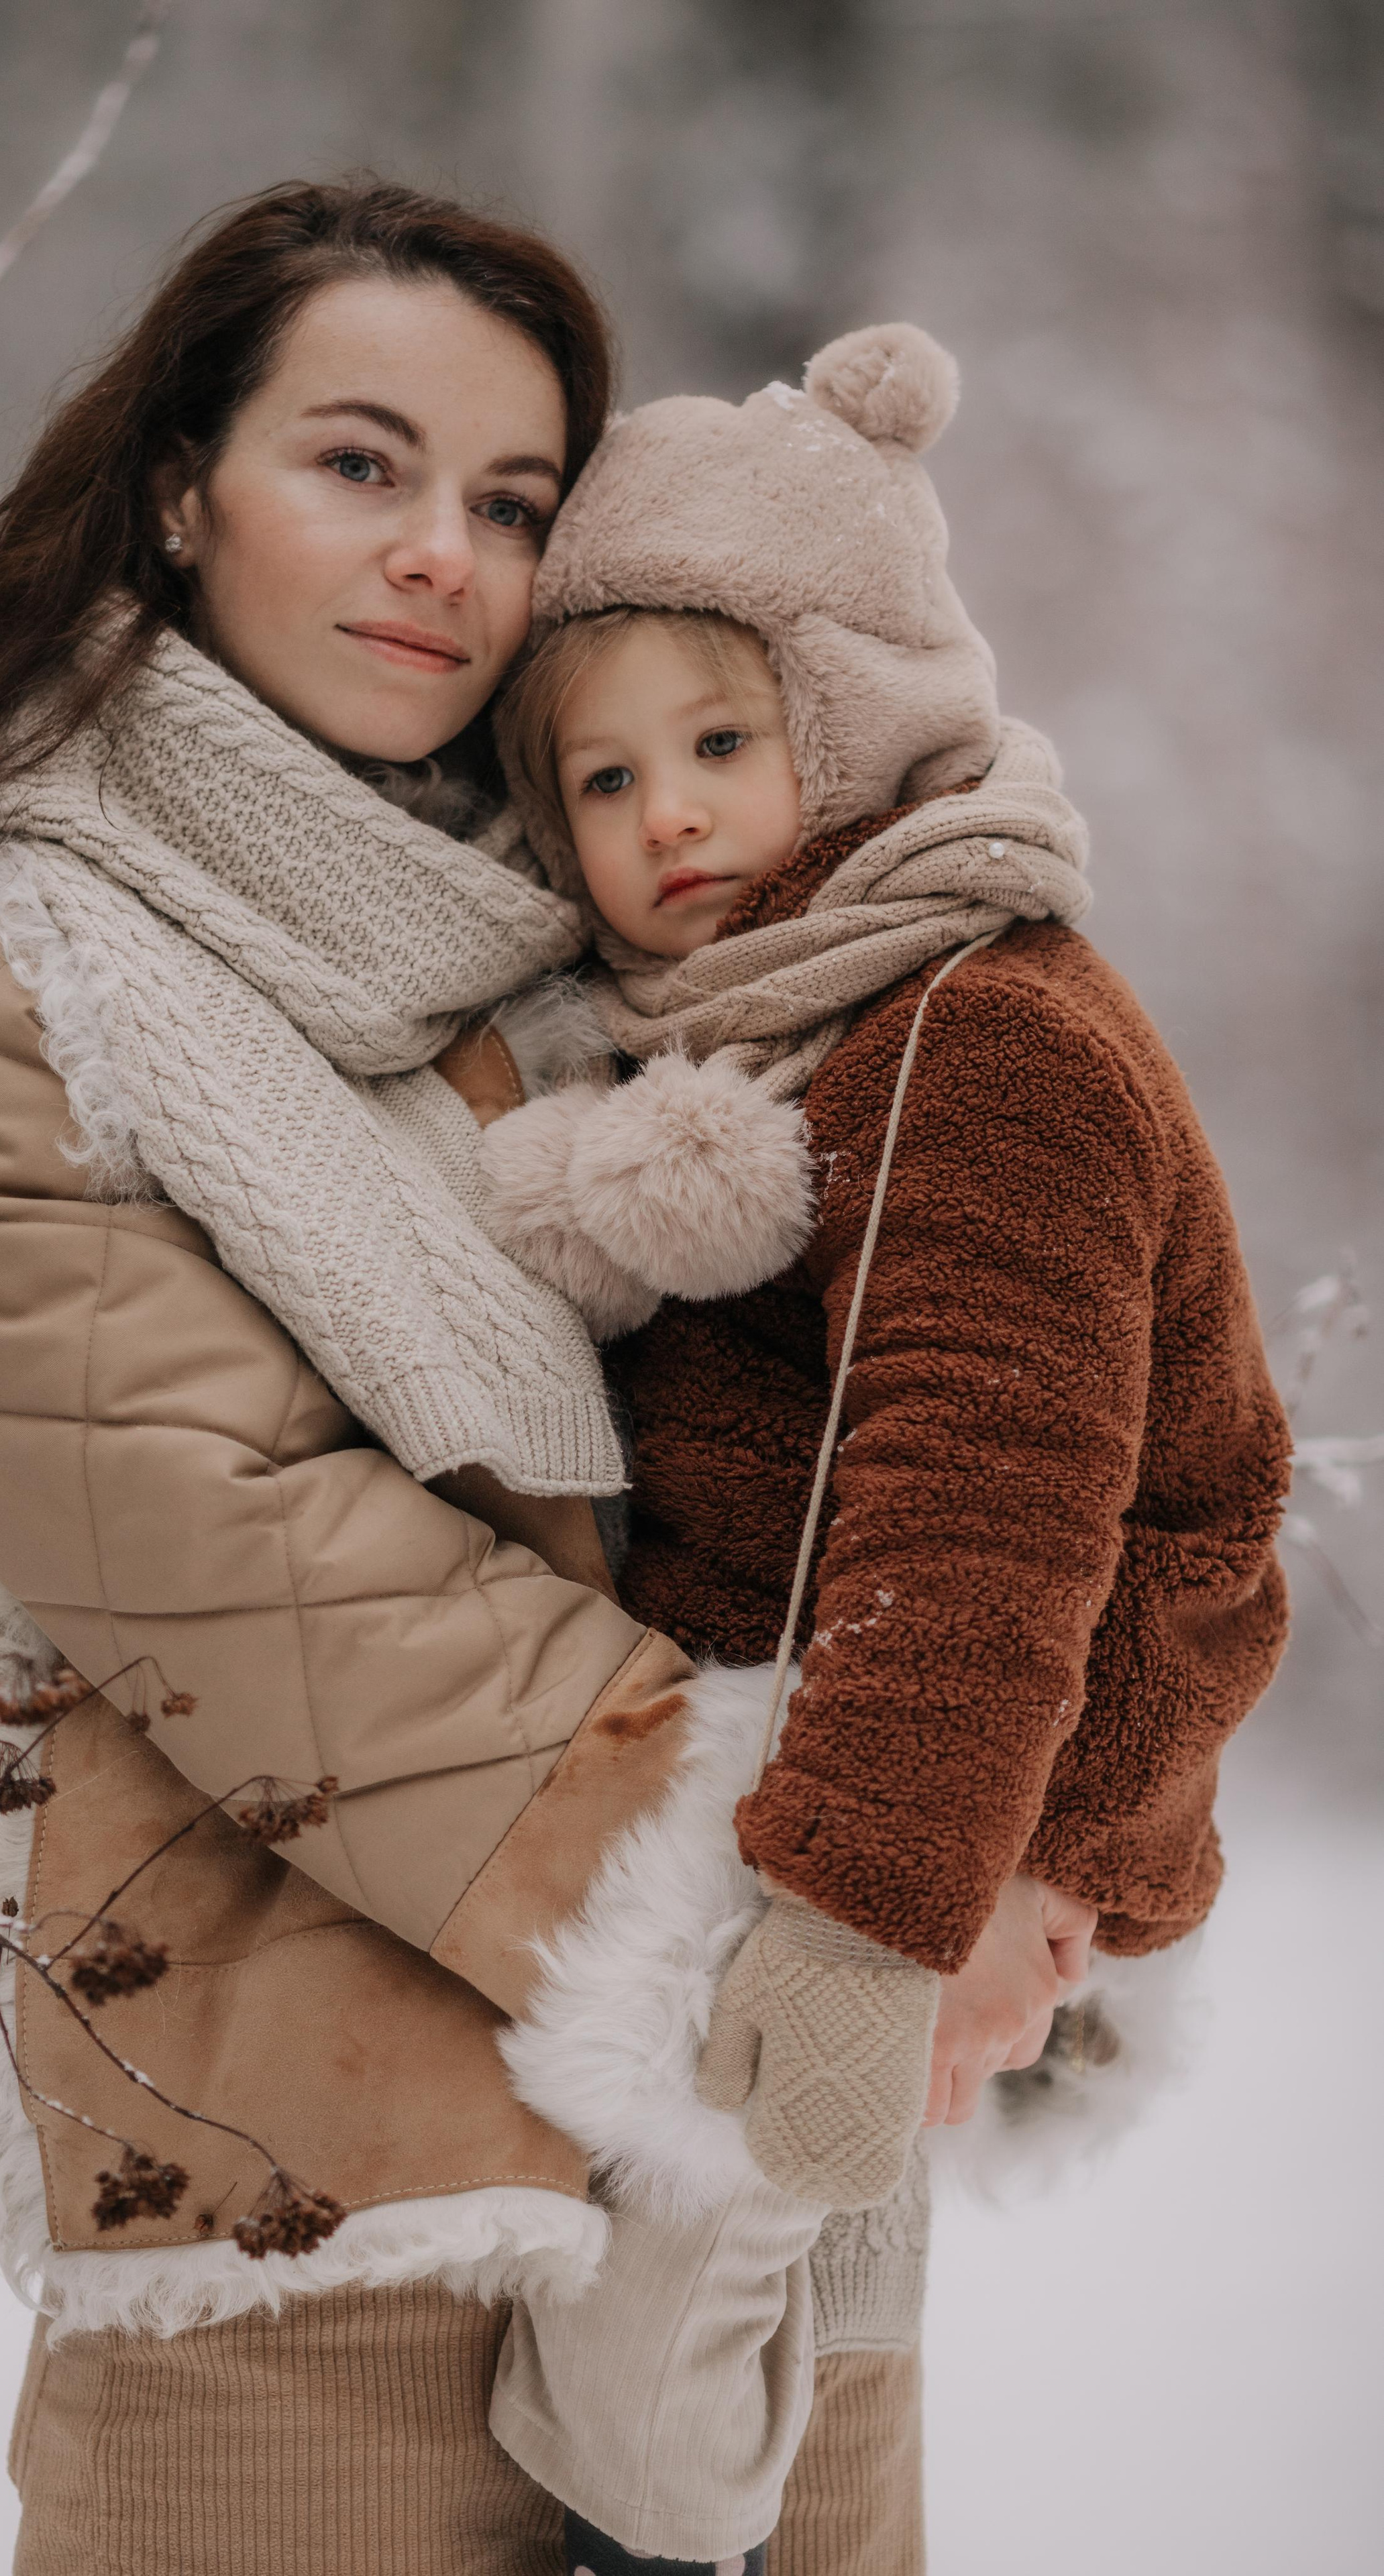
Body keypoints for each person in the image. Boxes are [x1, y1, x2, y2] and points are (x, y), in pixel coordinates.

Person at [0, 182, 928, 2576]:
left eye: (512, 503)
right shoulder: (19, 983)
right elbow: (240, 1570)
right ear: (185, 486)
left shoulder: (630, 952)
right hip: (313, 2187)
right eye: (362, 464)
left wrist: (1009, 1822)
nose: (444, 553)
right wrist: (847, 1870)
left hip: (751, 2188)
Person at [473, 325, 1293, 2572]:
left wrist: (859, 1933)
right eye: (605, 786)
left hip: (872, 1823)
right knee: (707, 2392)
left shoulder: (979, 1044)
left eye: (724, 741)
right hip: (858, 1791)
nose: (673, 824)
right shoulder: (837, 1023)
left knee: (650, 2423)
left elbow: (984, 1520)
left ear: (857, 708)